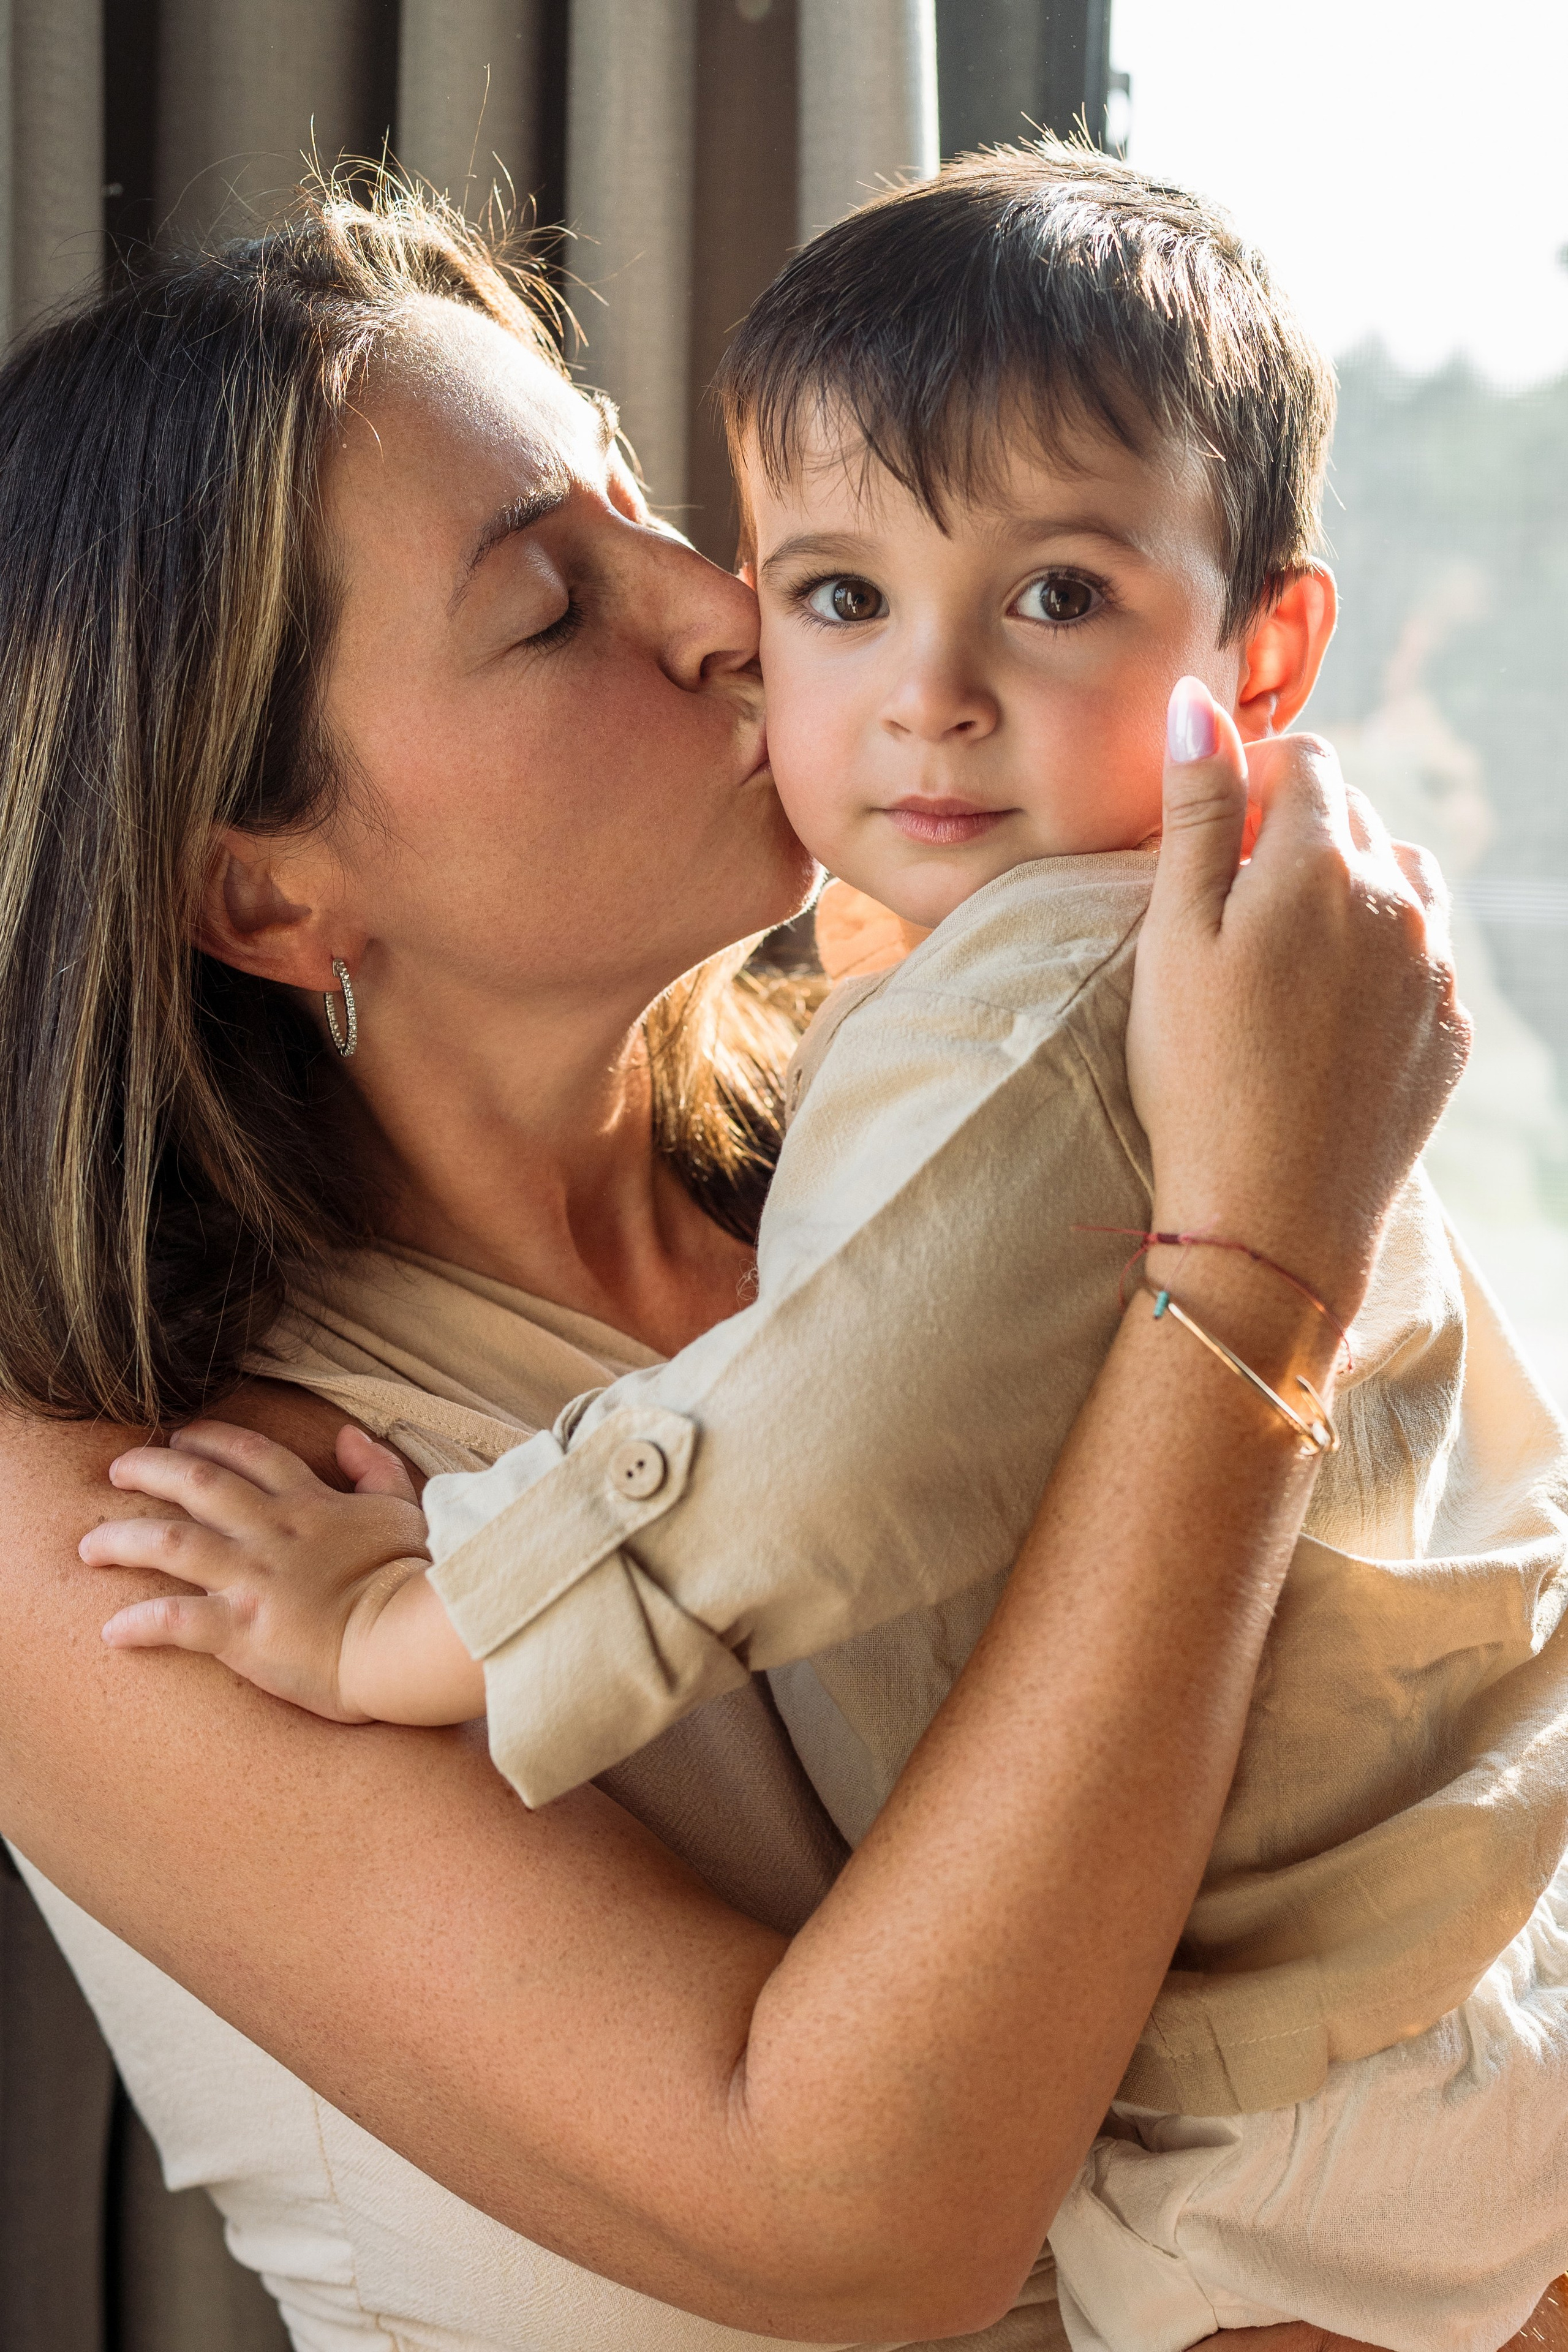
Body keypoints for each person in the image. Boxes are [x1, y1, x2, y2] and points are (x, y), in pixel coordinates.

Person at [0, 173, 1522, 2352]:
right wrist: (1260, 1263)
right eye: (551, 602)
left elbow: (1427, 1682)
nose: (724, 608)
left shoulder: (937, 1126)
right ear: (264, 899)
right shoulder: (111, 1516)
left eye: (646, 502)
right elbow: (855, 2224)